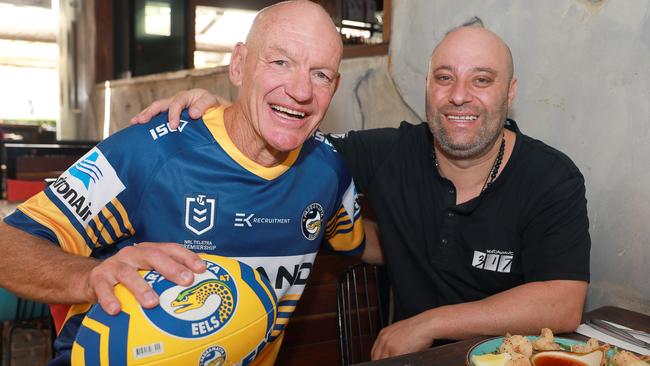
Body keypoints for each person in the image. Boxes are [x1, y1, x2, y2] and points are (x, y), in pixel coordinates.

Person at [133, 20, 591, 360]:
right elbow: (283, 143)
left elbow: (563, 302)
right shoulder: (389, 151)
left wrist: (429, 323)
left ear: (509, 94)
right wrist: (224, 118)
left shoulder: (551, 177)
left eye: (482, 80)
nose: (459, 96)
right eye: (445, 77)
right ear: (428, 86)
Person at [0, 1, 364, 365]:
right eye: (281, 62)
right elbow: (9, 244)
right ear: (238, 65)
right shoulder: (148, 153)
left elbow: (363, 243)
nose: (301, 91)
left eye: (320, 74)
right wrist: (89, 276)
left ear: (335, 86)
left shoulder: (327, 171)